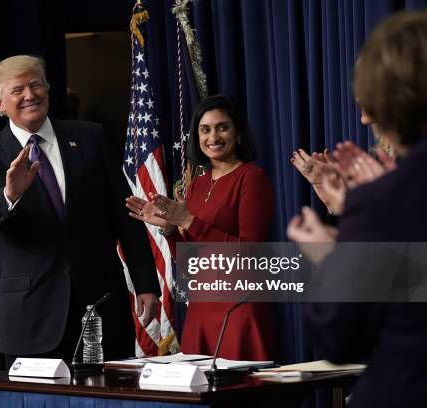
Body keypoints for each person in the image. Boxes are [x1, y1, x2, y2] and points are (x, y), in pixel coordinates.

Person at [0, 55, 160, 366]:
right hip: (32, 317)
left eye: (36, 85)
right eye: (18, 90)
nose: (30, 95)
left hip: (100, 306)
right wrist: (9, 194)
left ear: (48, 90)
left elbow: (125, 215)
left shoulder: (90, 137)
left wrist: (147, 284)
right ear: (0, 103)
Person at [288, 10, 427, 408]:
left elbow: (340, 338)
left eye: (370, 105)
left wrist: (336, 258)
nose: (365, 118)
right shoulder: (383, 198)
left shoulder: (387, 199)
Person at [127, 95, 275, 360]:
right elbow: (190, 262)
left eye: (222, 127)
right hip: (200, 310)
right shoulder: (197, 184)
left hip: (237, 308)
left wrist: (188, 221)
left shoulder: (251, 178)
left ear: (238, 132)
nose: (213, 137)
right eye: (205, 130)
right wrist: (170, 228)